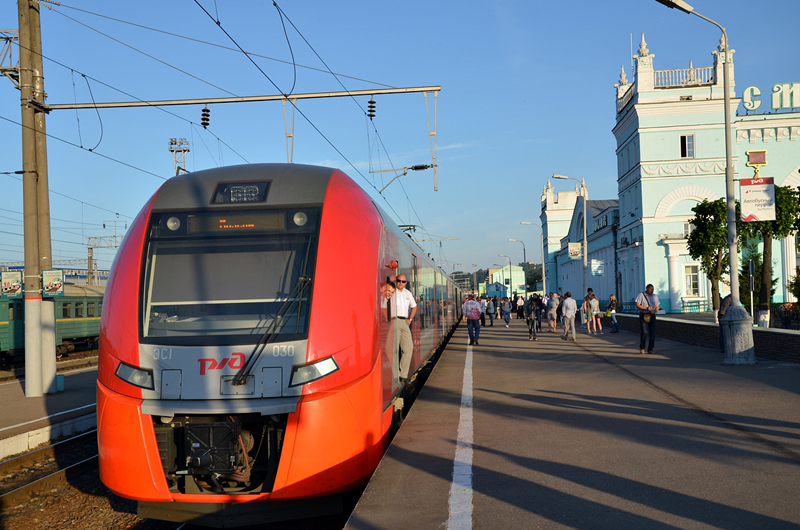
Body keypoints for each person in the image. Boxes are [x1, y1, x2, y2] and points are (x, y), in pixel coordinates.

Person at [392, 274, 418, 382]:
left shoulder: (408, 293)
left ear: (406, 283)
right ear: (396, 281)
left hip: (405, 321)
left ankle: (403, 374)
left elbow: (414, 307)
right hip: (394, 320)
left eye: (403, 281)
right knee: (394, 349)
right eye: (399, 281)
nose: (400, 283)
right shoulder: (392, 292)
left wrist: (410, 319)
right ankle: (395, 375)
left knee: (408, 348)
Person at [635, 284, 660, 355]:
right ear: (647, 289)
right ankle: (642, 348)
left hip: (652, 315)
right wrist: (647, 308)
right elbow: (637, 305)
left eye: (653, 289)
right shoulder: (641, 295)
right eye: (651, 289)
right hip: (644, 314)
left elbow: (657, 306)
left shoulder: (654, 296)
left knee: (652, 333)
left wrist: (654, 310)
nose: (652, 291)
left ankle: (650, 349)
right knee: (645, 332)